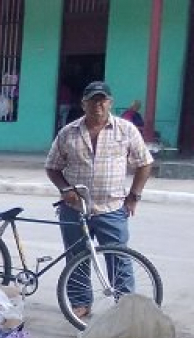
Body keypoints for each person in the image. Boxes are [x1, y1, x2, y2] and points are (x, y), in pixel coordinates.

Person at [45, 81, 153, 320]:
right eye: (93, 100)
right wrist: (65, 189)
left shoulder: (126, 130)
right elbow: (52, 167)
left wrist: (134, 196)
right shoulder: (68, 132)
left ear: (110, 103)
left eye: (103, 100)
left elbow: (144, 163)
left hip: (112, 208)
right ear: (83, 104)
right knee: (77, 258)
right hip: (75, 208)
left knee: (119, 259)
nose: (98, 105)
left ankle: (125, 307)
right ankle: (81, 303)